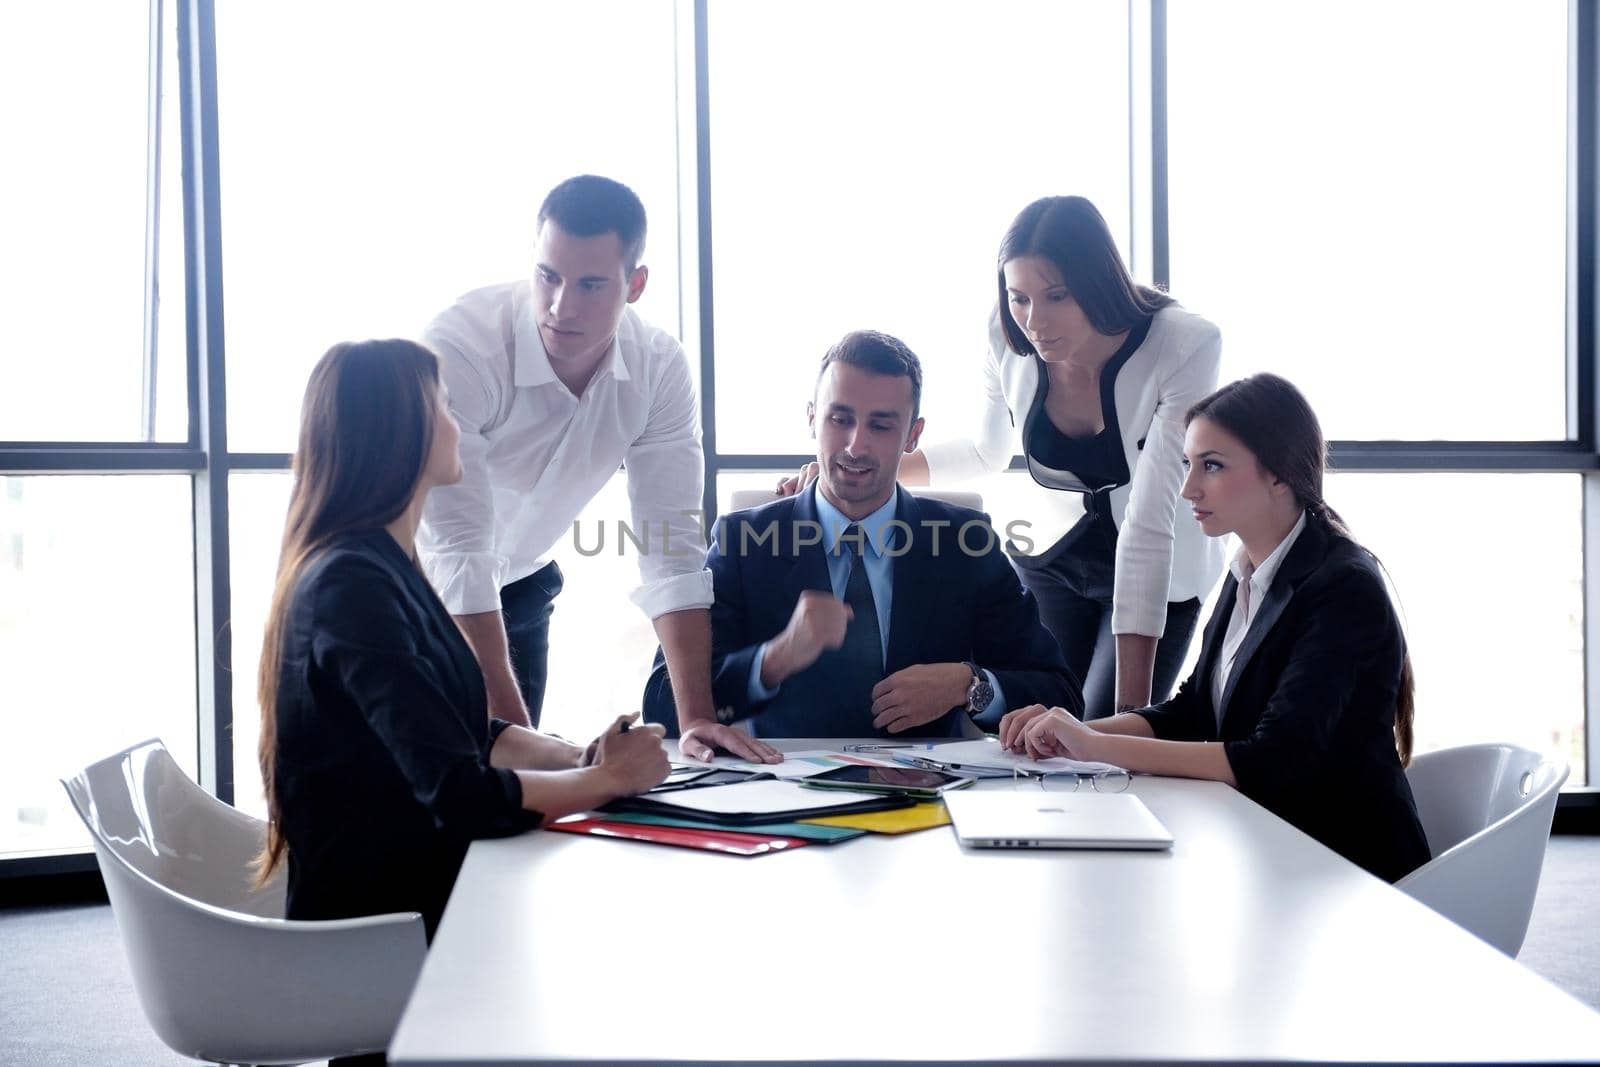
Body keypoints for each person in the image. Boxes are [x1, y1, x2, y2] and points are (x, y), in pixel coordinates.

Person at [257, 339, 671, 955]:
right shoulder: (351, 584)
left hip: (419, 894)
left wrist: (578, 758)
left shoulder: (385, 565)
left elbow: (464, 734)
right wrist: (607, 779)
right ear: (404, 434)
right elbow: (460, 796)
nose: (460, 426)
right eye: (445, 408)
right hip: (380, 931)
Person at [786, 196, 1223, 720]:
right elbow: (984, 451)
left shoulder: (1184, 343)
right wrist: (857, 467)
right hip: (1054, 558)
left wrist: (1128, 718)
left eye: (1056, 295)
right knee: (1029, 720)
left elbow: (1150, 521)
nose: (1035, 321)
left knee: (1099, 729)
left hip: (1157, 566)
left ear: (1097, 281)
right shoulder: (1006, 335)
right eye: (1019, 297)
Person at [1001, 373, 1430, 883]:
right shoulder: (1246, 566)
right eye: (1188, 464)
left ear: (1279, 474)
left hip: (1347, 868)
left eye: (1212, 466)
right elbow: (1195, 710)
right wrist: (1068, 732)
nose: (1188, 488)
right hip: (1267, 847)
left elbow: (1273, 761)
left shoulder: (1344, 588)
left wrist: (1093, 748)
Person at [418, 174, 778, 764]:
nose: (562, 305)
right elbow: (459, 553)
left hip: (519, 591)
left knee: (513, 817)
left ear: (634, 284)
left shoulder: (659, 370)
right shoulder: (462, 347)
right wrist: (531, 749)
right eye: (548, 277)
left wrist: (697, 721)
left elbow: (671, 547)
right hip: (417, 592)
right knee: (449, 796)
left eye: (590, 284)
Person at [644, 330, 1081, 738]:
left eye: (881, 425)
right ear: (813, 419)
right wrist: (771, 661)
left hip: (929, 798)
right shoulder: (743, 542)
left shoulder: (964, 542)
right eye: (840, 419)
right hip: (782, 794)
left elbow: (1061, 695)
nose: (855, 445)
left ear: (912, 435)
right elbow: (663, 705)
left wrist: (969, 684)